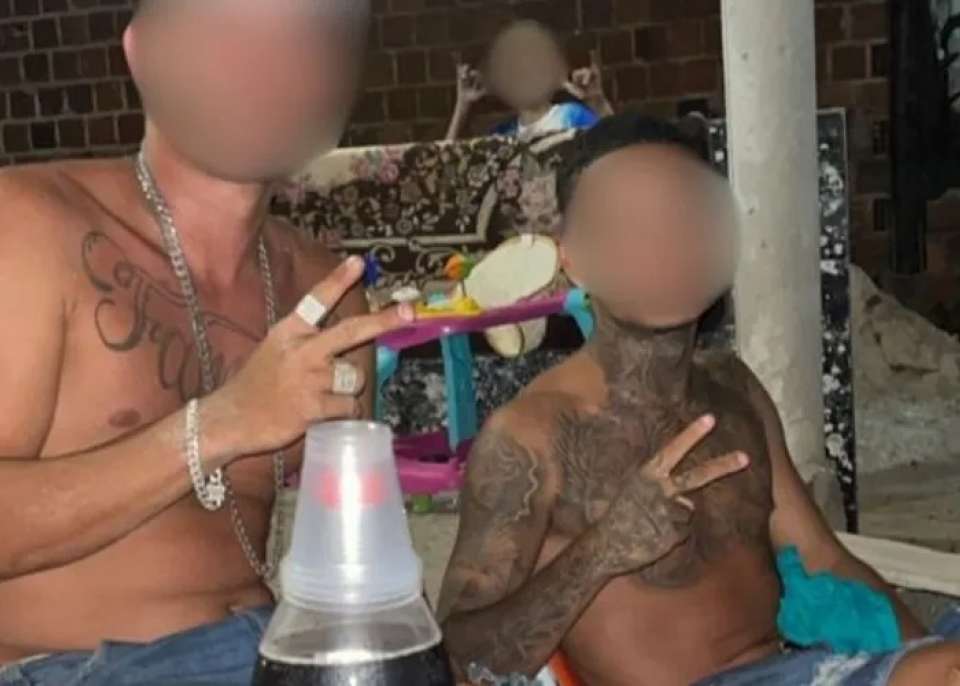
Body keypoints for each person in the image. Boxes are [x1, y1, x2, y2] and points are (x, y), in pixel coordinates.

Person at [437, 113, 960, 686]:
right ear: (575, 261)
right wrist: (603, 551)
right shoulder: (530, 436)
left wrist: (924, 652)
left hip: (797, 669)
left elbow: (822, 559)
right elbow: (460, 663)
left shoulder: (733, 387)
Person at [0, 1, 420, 684]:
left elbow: (350, 562)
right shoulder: (27, 226)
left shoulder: (330, 290)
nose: (269, 66)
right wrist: (220, 424)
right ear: (141, 53)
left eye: (308, 37)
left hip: (276, 655)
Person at [445, 20, 613, 142]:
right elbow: (443, 169)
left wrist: (598, 103)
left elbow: (619, 152)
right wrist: (462, 107)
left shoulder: (572, 116)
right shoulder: (501, 135)